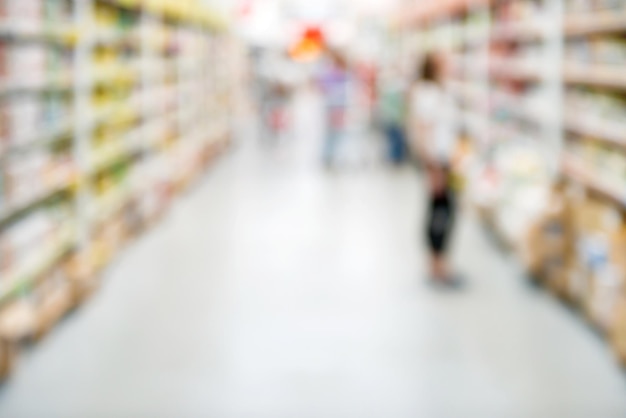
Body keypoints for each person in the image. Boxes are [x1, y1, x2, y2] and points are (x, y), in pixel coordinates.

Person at [410, 52, 460, 287]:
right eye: (445, 61)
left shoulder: (436, 90)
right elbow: (422, 130)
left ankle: (440, 263)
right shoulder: (427, 93)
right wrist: (432, 167)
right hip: (436, 162)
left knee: (443, 210)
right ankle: (436, 264)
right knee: (440, 213)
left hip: (443, 160)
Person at [317, 50, 350, 167]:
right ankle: (330, 156)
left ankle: (330, 156)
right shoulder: (338, 74)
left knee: (333, 133)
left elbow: (322, 87)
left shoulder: (333, 73)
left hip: (335, 107)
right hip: (336, 107)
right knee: (335, 133)